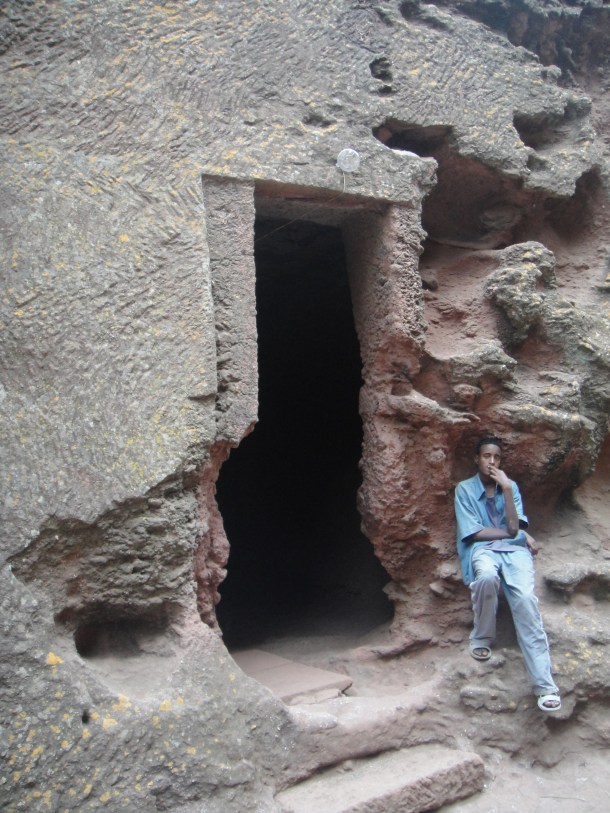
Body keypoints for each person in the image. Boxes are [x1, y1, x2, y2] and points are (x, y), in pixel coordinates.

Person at [454, 435, 561, 712]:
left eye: (497, 457)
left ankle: (545, 687)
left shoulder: (510, 487)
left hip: (514, 552)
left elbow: (513, 525)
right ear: (476, 459)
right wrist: (520, 535)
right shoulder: (464, 490)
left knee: (525, 599)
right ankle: (482, 637)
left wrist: (507, 489)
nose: (491, 461)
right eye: (486, 456)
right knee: (487, 577)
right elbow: (475, 532)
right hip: (483, 549)